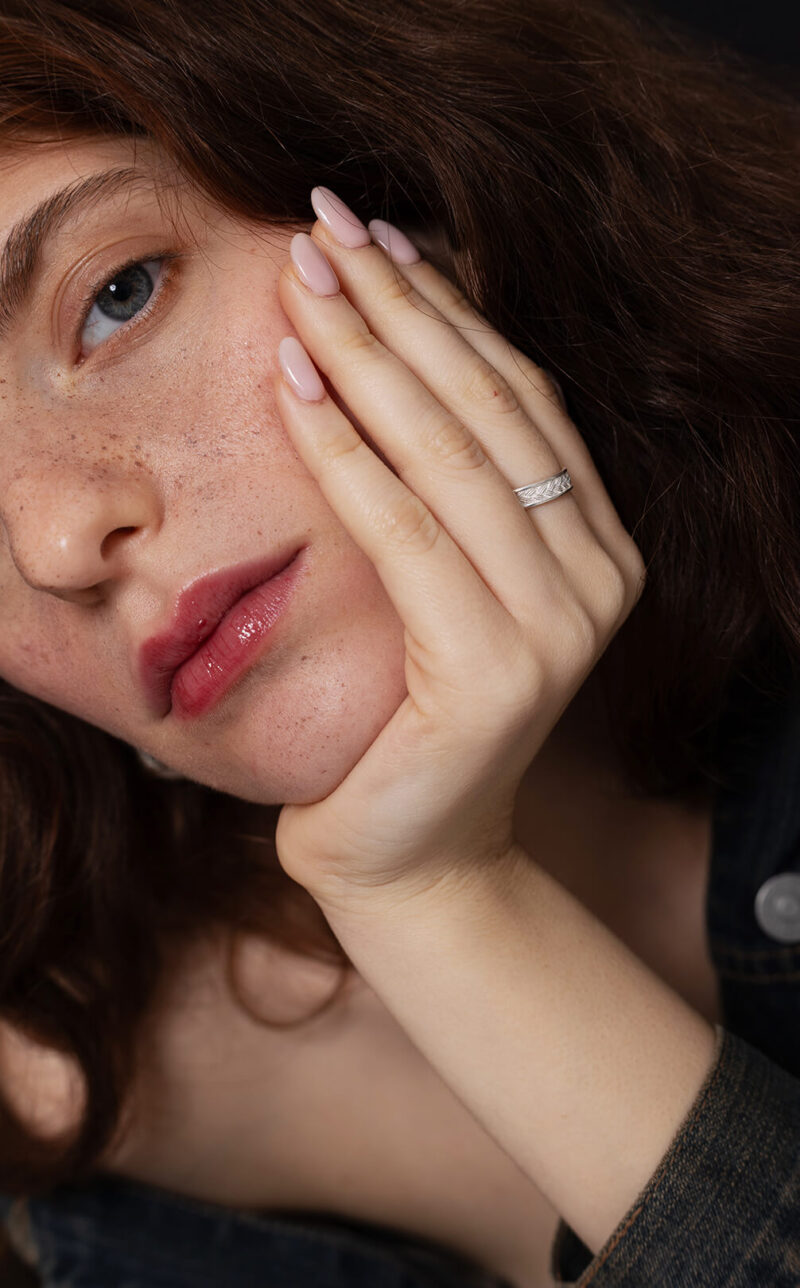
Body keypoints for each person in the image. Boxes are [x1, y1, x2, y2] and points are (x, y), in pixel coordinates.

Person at [0, 1, 797, 1285]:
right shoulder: (81, 1089)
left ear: (409, 180)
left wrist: (444, 908)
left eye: (116, 296)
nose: (51, 541)